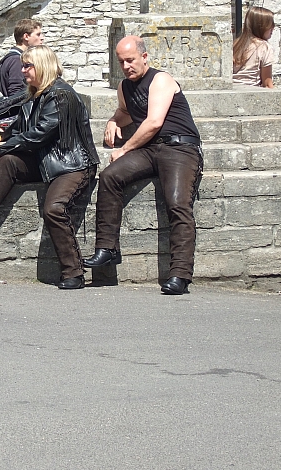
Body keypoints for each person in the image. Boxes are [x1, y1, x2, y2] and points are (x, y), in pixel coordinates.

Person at [0, 45, 100, 289]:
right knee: (10, 162)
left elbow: (41, 133)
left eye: (27, 66)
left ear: (42, 66)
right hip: (46, 159)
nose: (22, 71)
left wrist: (10, 145)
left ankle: (74, 272)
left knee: (54, 209)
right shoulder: (34, 93)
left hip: (71, 164)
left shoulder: (61, 95)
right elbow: (20, 127)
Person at [83, 35, 203, 296]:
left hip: (179, 147)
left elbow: (153, 122)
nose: (126, 66)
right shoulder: (124, 87)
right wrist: (114, 120)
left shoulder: (161, 80)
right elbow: (126, 111)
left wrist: (124, 149)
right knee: (110, 177)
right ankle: (107, 249)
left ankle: (180, 275)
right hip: (150, 149)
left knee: (177, 202)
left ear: (144, 57)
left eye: (131, 60)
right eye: (122, 62)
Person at [232, 6, 276, 88]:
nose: (273, 27)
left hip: (232, 90)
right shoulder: (264, 47)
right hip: (251, 93)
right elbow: (267, 84)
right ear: (262, 26)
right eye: (271, 24)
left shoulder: (236, 44)